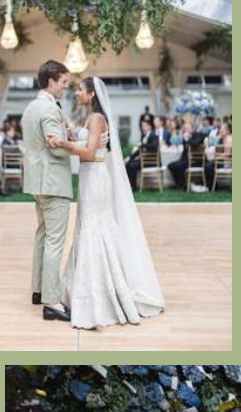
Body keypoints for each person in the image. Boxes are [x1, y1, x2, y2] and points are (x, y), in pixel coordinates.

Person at [49, 77, 164, 329]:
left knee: (94, 229)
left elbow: (90, 153)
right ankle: (87, 288)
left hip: (95, 178)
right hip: (90, 178)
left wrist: (63, 143)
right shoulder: (92, 118)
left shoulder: (96, 118)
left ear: (91, 95)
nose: (76, 92)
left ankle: (101, 296)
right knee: (88, 228)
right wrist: (73, 135)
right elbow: (89, 144)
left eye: (80, 89)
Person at [20, 61, 75, 323]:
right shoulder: (50, 110)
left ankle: (38, 289)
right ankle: (52, 301)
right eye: (64, 82)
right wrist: (74, 143)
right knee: (54, 241)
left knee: (42, 236)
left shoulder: (31, 108)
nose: (66, 87)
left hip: (37, 183)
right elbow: (55, 146)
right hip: (53, 182)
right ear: (51, 81)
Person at [124, 112, 158, 189]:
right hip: (144, 160)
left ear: (150, 127)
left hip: (151, 161)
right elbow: (139, 150)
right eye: (142, 126)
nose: (143, 128)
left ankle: (133, 186)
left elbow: (154, 146)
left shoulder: (154, 136)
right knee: (128, 163)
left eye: (145, 126)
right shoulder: (143, 136)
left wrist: (142, 145)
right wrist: (129, 157)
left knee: (132, 165)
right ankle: (130, 185)